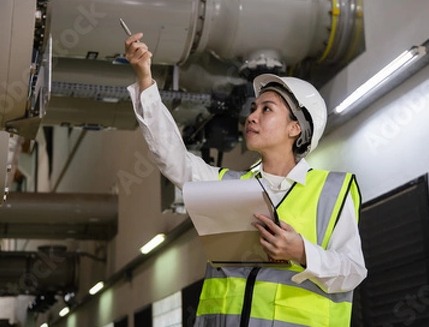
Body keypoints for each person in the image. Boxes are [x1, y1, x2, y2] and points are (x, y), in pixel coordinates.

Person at [125, 32, 367, 327]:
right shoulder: (228, 186)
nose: (251, 117)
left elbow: (352, 272)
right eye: (253, 109)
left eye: (267, 109)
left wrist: (301, 252)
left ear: (295, 128)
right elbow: (171, 156)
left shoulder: (333, 191)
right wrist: (146, 81)